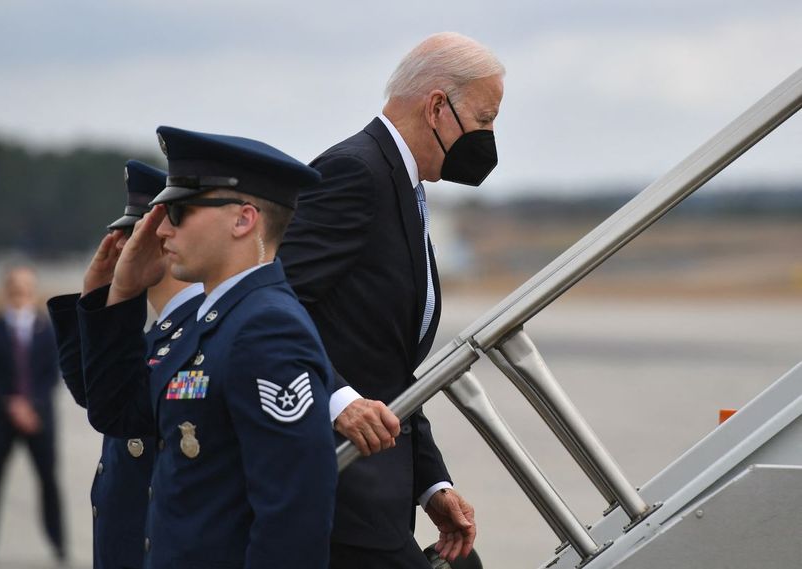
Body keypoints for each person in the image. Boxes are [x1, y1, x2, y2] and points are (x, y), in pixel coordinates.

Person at [278, 31, 504, 568]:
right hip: (335, 483)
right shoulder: (356, 172)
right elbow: (273, 308)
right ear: (436, 108)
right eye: (486, 118)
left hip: (376, 489)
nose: (491, 136)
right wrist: (337, 400)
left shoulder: (405, 185)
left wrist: (432, 486)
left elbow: (386, 361)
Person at [76, 126, 337, 568]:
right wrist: (120, 294)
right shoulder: (214, 320)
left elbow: (293, 518)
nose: (160, 231)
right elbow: (117, 412)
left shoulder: (266, 328)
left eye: (177, 211)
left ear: (243, 219)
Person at [47, 160, 204, 569]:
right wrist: (96, 297)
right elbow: (93, 393)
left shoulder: (197, 332)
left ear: (164, 242)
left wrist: (111, 302)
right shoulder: (162, 332)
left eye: (131, 236)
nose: (120, 248)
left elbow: (113, 405)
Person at [0, 265, 66, 564]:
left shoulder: (46, 330)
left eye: (26, 287)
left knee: (49, 481)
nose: (20, 293)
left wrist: (32, 406)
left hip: (40, 418)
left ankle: (59, 543)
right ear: (7, 290)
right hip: (3, 417)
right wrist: (12, 404)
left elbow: (52, 375)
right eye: (15, 287)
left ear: (33, 291)